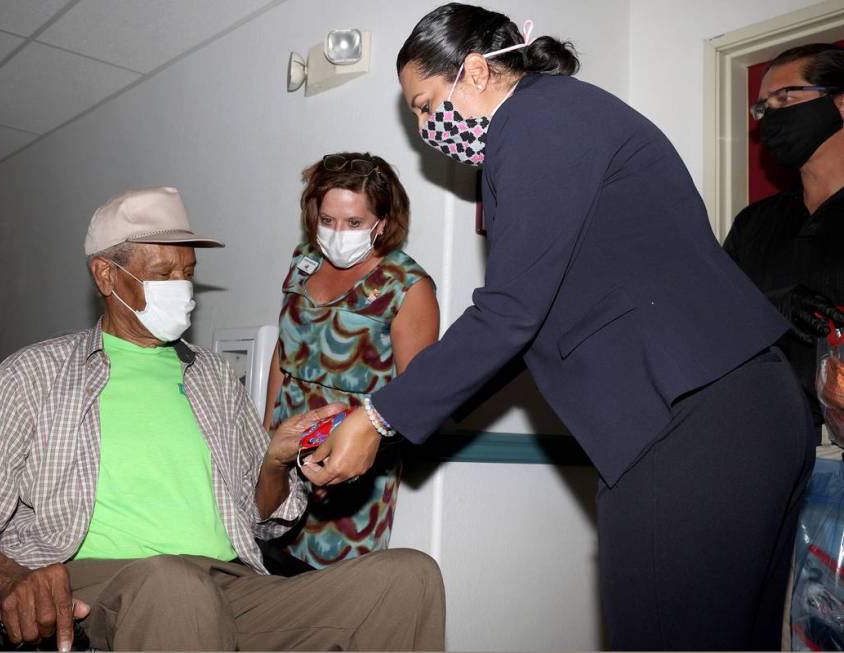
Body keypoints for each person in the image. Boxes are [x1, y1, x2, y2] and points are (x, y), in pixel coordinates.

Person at [301, 4, 815, 650]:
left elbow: (510, 312)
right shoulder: (562, 121)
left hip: (688, 420)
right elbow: (531, 322)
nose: (430, 129)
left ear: (478, 73)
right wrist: (396, 420)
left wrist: (377, 417)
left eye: (429, 105)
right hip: (745, 413)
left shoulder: (534, 123)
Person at [0, 186, 446, 652]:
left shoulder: (213, 379)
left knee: (408, 577)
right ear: (105, 276)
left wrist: (277, 463)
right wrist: (6, 578)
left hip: (230, 582)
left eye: (187, 274)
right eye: (162, 273)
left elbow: (259, 517)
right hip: (96, 586)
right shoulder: (35, 373)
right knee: (172, 585)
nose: (181, 288)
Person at [262, 152, 439, 568]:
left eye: (355, 223)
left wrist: (361, 440)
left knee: (330, 596)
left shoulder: (406, 287)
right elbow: (284, 352)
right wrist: (267, 431)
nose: (338, 233)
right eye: (328, 220)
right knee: (266, 565)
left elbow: (417, 395)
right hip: (286, 452)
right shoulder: (302, 263)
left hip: (352, 466)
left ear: (383, 221)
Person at [723, 44, 844, 434]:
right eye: (763, 107)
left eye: (785, 97)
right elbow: (712, 322)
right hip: (771, 446)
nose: (769, 116)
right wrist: (771, 307)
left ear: (840, 105)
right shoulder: (754, 224)